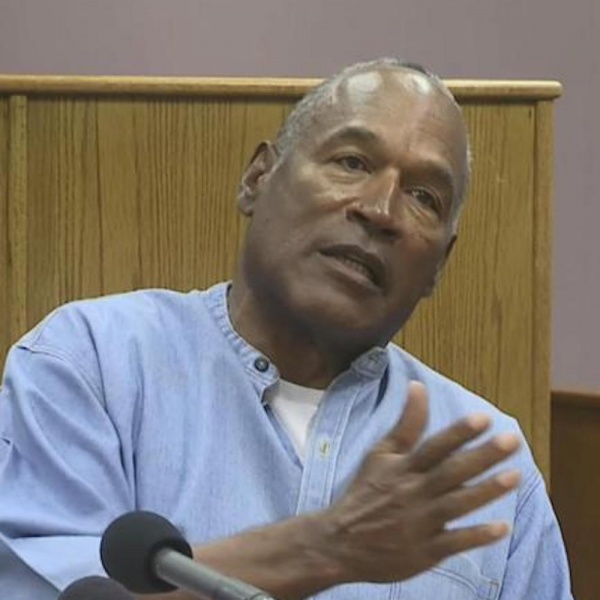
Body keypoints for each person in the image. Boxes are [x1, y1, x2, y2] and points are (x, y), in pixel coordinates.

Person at [0, 59, 572, 600]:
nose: (380, 210)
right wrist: (324, 548)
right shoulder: (93, 362)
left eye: (424, 197)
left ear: (439, 267)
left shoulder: (488, 470)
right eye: (352, 162)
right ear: (258, 178)